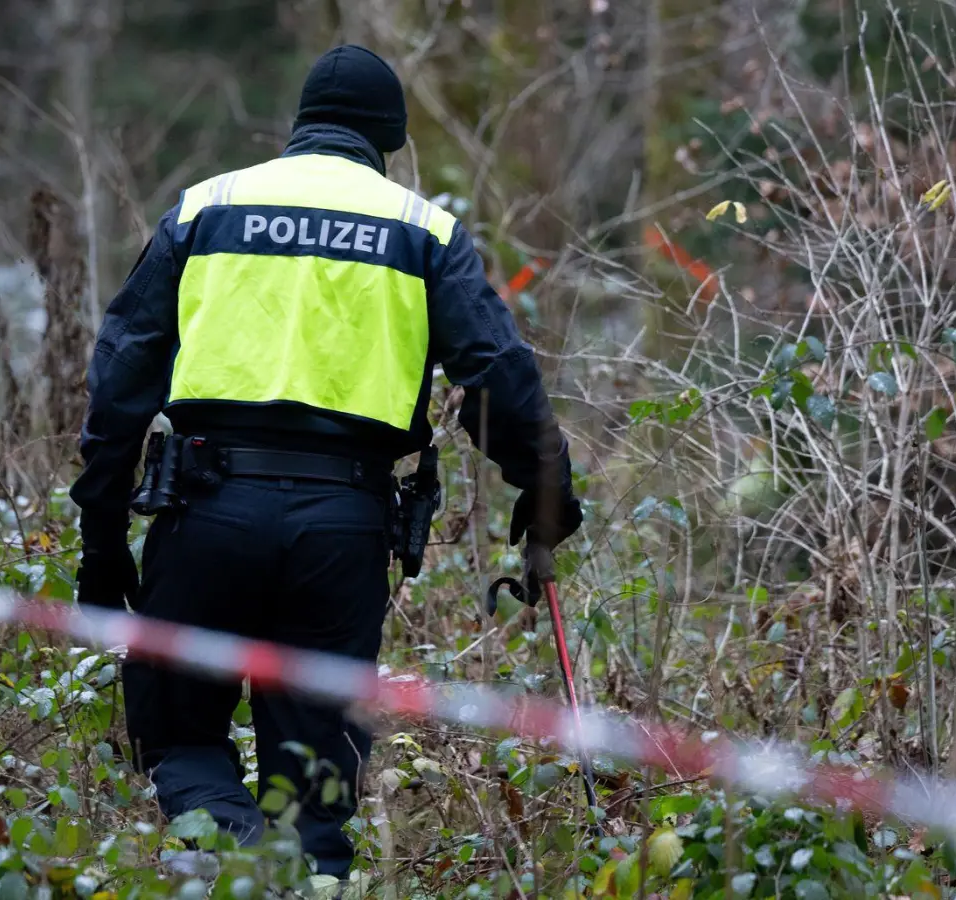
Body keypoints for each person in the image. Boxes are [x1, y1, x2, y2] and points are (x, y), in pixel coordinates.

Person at [69, 44, 583, 880]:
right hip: (341, 528)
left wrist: (101, 542)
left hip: (203, 513)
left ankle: (220, 863)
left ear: (299, 127)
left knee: (184, 739)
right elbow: (495, 369)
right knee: (314, 784)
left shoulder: (206, 207)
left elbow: (119, 381)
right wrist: (546, 485)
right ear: (390, 139)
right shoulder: (425, 230)